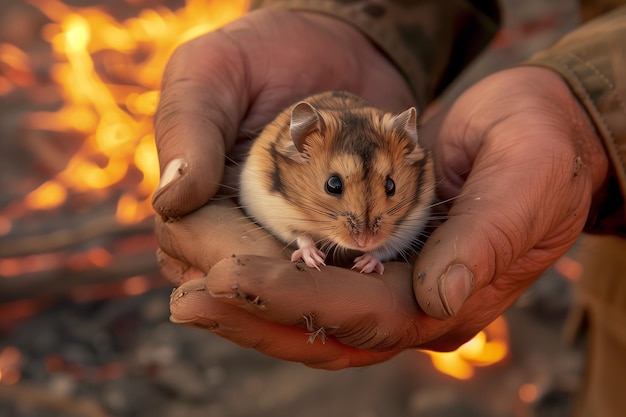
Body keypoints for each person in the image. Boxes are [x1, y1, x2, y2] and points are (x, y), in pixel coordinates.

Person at [151, 1, 626, 415]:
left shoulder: (414, 189)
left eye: (390, 188)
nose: (365, 225)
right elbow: (265, 203)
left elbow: (398, 220)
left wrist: (588, 115)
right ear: (300, 150)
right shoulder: (278, 167)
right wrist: (346, 18)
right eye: (335, 185)